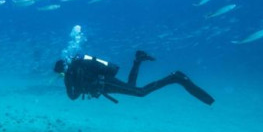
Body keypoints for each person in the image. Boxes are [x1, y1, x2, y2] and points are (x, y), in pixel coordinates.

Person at [53, 50, 214, 105]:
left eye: (60, 73)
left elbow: (72, 96)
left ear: (63, 70)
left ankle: (175, 77)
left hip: (105, 84)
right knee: (132, 86)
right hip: (105, 84)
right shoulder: (77, 70)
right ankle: (138, 59)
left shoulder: (71, 74)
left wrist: (66, 80)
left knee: (140, 92)